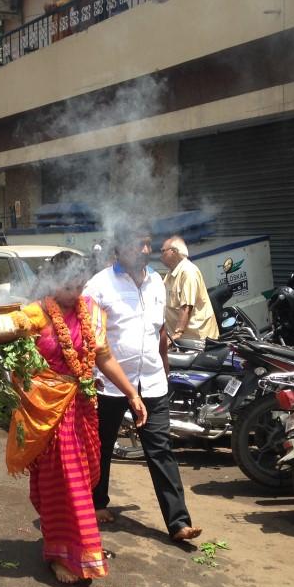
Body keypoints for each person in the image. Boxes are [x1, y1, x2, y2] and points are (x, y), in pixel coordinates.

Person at [5, 252, 148, 583]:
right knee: (66, 485)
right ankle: (67, 555)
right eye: (69, 284)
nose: (76, 291)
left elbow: (104, 356)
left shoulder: (92, 312)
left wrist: (132, 394)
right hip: (50, 415)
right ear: (54, 281)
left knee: (84, 478)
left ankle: (66, 545)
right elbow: (7, 349)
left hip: (83, 408)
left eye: (80, 284)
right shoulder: (35, 314)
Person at [83, 224, 201, 542]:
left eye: (148, 244)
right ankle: (96, 502)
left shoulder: (156, 284)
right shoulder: (98, 286)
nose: (146, 251)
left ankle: (178, 522)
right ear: (119, 249)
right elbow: (88, 339)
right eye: (138, 245)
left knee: (160, 449)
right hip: (108, 384)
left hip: (150, 381)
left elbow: (159, 331)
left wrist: (163, 369)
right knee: (102, 446)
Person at [160, 236, 218, 341]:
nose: (161, 255)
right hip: (183, 340)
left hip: (197, 340)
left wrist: (177, 333)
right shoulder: (170, 274)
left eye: (163, 251)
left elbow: (186, 307)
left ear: (173, 251)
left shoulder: (188, 272)